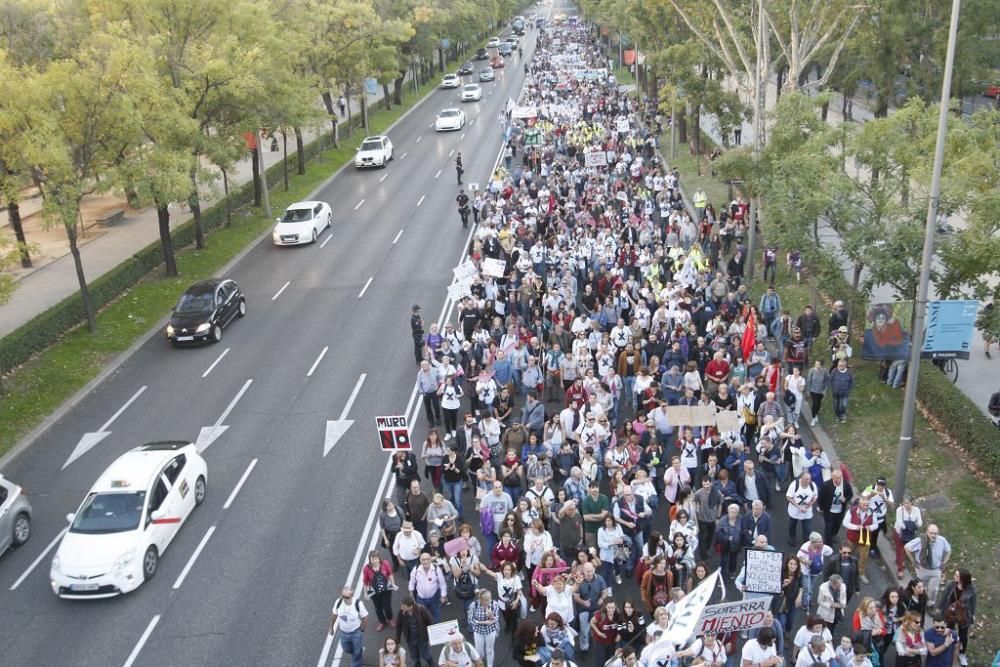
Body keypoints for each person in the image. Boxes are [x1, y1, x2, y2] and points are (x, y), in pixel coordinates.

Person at [904, 523, 951, 608]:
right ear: (927, 532)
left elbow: (948, 551)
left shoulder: (942, 540)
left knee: (933, 590)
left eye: (935, 533)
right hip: (923, 569)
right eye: (931, 533)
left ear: (938, 533)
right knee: (920, 588)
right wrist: (913, 561)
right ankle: (919, 603)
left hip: (936, 570)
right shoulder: (920, 541)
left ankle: (930, 604)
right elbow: (907, 547)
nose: (933, 535)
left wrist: (944, 563)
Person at [939, 569, 976, 665]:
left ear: (963, 579)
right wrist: (940, 610)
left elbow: (973, 604)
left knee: (963, 635)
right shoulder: (951, 584)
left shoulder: (971, 589)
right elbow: (944, 597)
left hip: (963, 615)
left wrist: (971, 615)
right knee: (949, 631)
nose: (954, 576)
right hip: (950, 613)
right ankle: (948, 649)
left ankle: (962, 653)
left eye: (957, 575)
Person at [329, 586, 368, 667]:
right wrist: (331, 627)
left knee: (356, 654)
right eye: (343, 596)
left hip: (356, 632)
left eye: (346, 597)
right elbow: (334, 614)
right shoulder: (338, 602)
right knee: (346, 649)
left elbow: (365, 617)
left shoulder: (358, 604)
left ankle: (357, 662)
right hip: (343, 632)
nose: (344, 598)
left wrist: (362, 629)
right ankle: (360, 651)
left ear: (352, 596)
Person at [467, 589, 504, 667]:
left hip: (490, 631)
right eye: (487, 600)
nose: (489, 601)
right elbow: (470, 620)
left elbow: (496, 619)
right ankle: (480, 663)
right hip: (478, 631)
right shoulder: (474, 605)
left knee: (489, 650)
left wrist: (491, 615)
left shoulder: (494, 604)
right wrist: (483, 622)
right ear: (481, 600)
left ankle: (490, 665)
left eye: (490, 598)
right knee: (479, 651)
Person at [364, 550, 398, 632]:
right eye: (372, 559)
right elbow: (365, 581)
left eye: (376, 559)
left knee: (387, 607)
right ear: (370, 559)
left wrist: (393, 584)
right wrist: (365, 593)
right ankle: (382, 622)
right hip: (374, 592)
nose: (374, 561)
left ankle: (390, 619)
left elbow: (390, 574)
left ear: (379, 558)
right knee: (378, 608)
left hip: (386, 590)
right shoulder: (367, 568)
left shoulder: (385, 564)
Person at [396, 596, 434, 667]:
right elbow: (398, 626)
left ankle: (431, 663)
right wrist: (397, 641)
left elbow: (429, 622)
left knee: (425, 655)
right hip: (410, 638)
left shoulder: (421, 609)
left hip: (422, 637)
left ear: (410, 606)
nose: (401, 607)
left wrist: (431, 637)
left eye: (403, 606)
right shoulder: (401, 612)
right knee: (414, 656)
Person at [409, 553, 448, 623]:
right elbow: (412, 582)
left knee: (436, 614)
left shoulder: (437, 569)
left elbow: (442, 584)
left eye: (427, 559)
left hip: (434, 598)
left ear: (430, 560)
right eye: (423, 560)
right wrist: (411, 595)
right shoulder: (416, 570)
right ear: (420, 560)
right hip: (421, 599)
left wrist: (443, 596)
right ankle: (425, 629)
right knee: (421, 616)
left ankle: (436, 628)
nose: (425, 561)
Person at [817, 468, 852, 546]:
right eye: (836, 478)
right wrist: (821, 507)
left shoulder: (845, 484)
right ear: (832, 477)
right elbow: (821, 497)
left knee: (837, 525)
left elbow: (850, 494)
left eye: (840, 477)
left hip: (840, 510)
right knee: (828, 526)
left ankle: (832, 535)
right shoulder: (826, 485)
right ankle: (828, 542)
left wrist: (845, 499)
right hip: (829, 511)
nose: (838, 480)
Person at [829, 359, 854, 424]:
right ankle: (838, 416)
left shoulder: (849, 373)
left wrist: (849, 390)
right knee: (836, 405)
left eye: (841, 365)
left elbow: (851, 382)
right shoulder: (834, 371)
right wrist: (832, 389)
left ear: (845, 366)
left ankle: (843, 415)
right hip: (835, 392)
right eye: (838, 365)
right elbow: (830, 380)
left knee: (843, 405)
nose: (839, 366)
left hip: (844, 393)